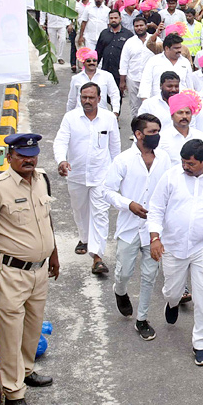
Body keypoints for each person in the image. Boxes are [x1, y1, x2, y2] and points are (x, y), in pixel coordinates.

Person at [0, 133, 59, 405]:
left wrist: (54, 254)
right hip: (10, 272)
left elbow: (47, 220)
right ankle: (13, 392)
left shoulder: (42, 178)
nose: (29, 159)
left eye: (32, 154)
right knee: (11, 334)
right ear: (9, 156)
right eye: (22, 154)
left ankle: (26, 372)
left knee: (32, 327)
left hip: (39, 270)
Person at [147, 139, 203, 367]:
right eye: (184, 162)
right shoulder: (171, 177)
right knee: (173, 291)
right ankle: (172, 303)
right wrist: (155, 238)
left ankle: (200, 344)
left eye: (192, 163)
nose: (186, 166)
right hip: (172, 247)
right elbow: (155, 209)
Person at [101, 113, 167, 338]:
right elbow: (107, 191)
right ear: (138, 134)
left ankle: (142, 319)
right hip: (129, 229)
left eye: (158, 131)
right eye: (151, 132)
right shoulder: (123, 160)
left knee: (150, 275)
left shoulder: (165, 159)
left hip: (155, 230)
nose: (156, 136)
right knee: (124, 273)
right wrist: (128, 204)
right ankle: (120, 292)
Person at [54, 82, 120, 274]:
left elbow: (115, 146)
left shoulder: (108, 118)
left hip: (102, 176)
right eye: (84, 97)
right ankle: (84, 238)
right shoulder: (71, 118)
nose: (87, 101)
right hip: (76, 175)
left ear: (99, 99)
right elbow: (60, 141)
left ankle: (97, 257)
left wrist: (117, 173)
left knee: (100, 213)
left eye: (91, 97)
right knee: (80, 211)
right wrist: (61, 161)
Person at [138, 33, 191, 101]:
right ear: (167, 48)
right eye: (176, 48)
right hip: (158, 102)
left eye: (180, 47)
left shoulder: (185, 62)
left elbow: (189, 85)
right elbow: (146, 82)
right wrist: (145, 101)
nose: (179, 51)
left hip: (180, 104)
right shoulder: (154, 61)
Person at [67, 48, 121, 114]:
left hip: (102, 114)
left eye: (94, 60)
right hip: (81, 114)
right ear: (84, 63)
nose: (92, 63)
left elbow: (114, 94)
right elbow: (72, 99)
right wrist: (68, 115)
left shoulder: (107, 76)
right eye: (88, 61)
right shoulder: (76, 78)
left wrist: (116, 110)